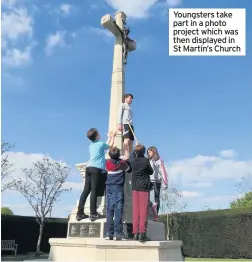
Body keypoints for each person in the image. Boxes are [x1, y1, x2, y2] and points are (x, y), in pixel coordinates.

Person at [76, 128, 117, 222]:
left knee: (86, 190)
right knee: (93, 190)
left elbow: (104, 145)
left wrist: (110, 138)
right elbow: (110, 147)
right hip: (96, 169)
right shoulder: (101, 144)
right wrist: (113, 136)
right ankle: (93, 213)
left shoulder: (92, 145)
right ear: (97, 135)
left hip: (88, 168)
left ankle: (80, 213)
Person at [105, 147, 131, 240]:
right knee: (118, 211)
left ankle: (108, 233)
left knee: (109, 211)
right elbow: (129, 170)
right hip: (118, 188)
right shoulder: (122, 163)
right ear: (119, 155)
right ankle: (118, 233)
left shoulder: (107, 163)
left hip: (108, 188)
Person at [130, 144, 154, 242]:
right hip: (143, 187)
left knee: (136, 211)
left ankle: (135, 232)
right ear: (143, 152)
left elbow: (131, 156)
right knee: (143, 211)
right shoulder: (145, 161)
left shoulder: (132, 161)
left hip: (135, 187)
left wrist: (136, 149)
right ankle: (142, 233)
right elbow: (151, 172)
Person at [147, 146, 168, 221]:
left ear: (154, 152)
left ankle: (156, 216)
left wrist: (165, 183)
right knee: (145, 196)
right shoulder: (148, 160)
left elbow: (163, 171)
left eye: (150, 152)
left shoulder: (159, 160)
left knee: (157, 198)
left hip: (156, 181)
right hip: (149, 180)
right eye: (148, 152)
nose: (149, 153)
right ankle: (151, 206)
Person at [117, 93, 134, 160]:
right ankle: (125, 155)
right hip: (125, 124)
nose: (131, 100)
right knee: (126, 139)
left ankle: (131, 155)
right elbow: (119, 114)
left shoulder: (130, 107)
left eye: (131, 99)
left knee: (131, 141)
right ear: (126, 98)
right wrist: (119, 124)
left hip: (131, 125)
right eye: (130, 98)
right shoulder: (123, 105)